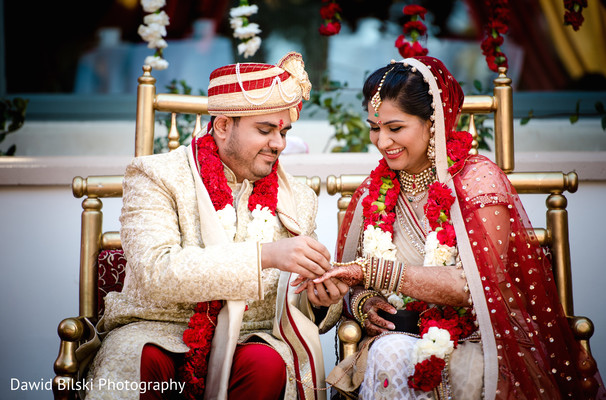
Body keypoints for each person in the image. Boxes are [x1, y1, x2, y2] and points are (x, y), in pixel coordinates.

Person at [308, 57, 605, 399]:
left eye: (395, 127)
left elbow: (477, 285)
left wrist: (376, 271)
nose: (382, 141)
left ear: (433, 123)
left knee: (427, 360)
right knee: (390, 352)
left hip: (480, 337)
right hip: (394, 340)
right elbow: (350, 283)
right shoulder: (370, 194)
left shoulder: (478, 181)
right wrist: (363, 301)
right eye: (374, 128)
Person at [85, 52, 348, 400]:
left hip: (252, 337)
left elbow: (300, 307)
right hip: (156, 329)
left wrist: (318, 301)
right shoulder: (156, 176)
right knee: (138, 363)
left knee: (268, 364)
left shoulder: (297, 197)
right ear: (223, 126)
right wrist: (266, 256)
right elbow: (157, 271)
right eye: (265, 130)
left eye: (284, 131)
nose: (279, 144)